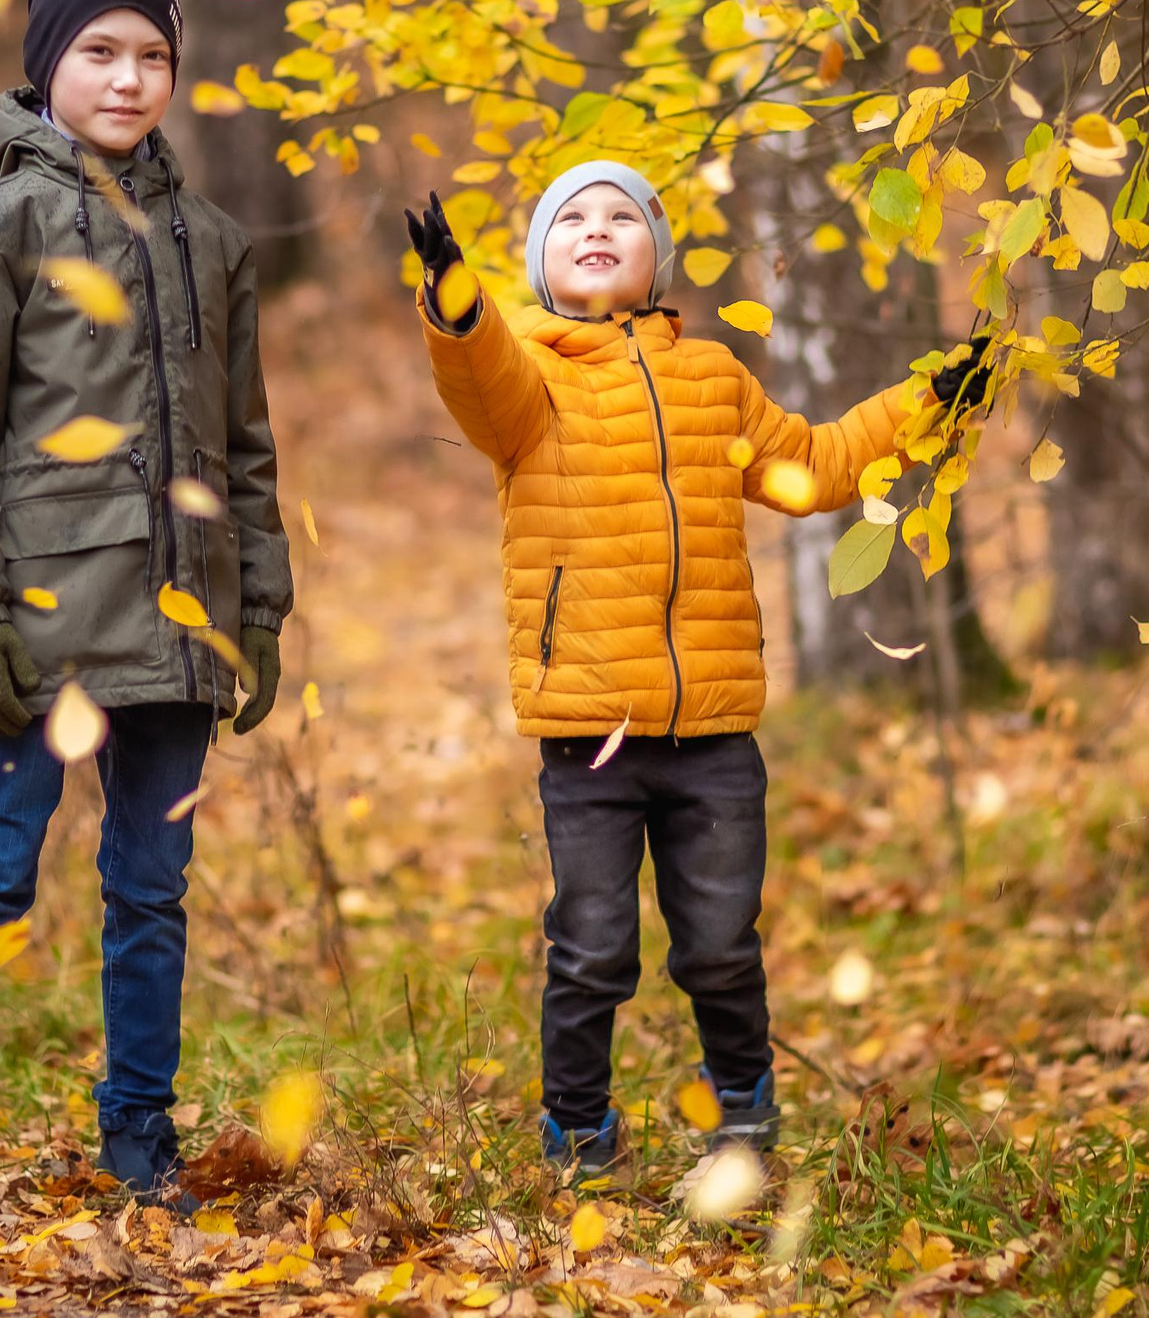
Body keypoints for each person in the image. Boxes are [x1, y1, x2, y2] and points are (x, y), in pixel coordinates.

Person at [405, 163, 987, 1187]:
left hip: (715, 732)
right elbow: (478, 371)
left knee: (720, 945)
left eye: (620, 216)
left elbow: (814, 465)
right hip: (590, 730)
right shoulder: (530, 378)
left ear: (655, 254)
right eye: (570, 219)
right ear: (540, 263)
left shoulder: (712, 376)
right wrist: (457, 299)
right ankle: (578, 1133)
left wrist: (930, 399)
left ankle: (745, 1120)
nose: (595, 229)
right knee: (591, 948)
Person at [0, 0, 293, 1228]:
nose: (128, 79)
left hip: (179, 625)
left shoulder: (214, 241)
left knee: (150, 889)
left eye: (154, 55)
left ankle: (139, 1138)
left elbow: (245, 451)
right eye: (100, 52)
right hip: (41, 625)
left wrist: (260, 611)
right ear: (47, 64)